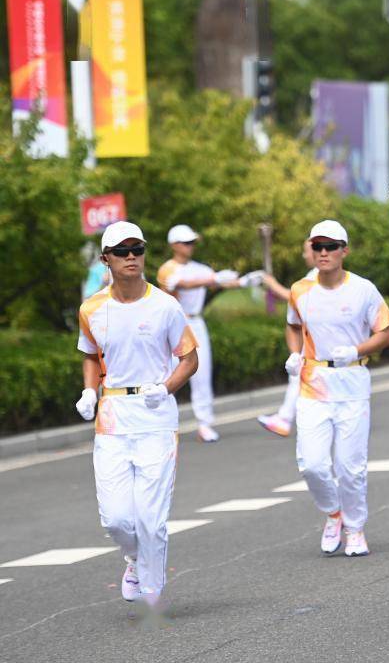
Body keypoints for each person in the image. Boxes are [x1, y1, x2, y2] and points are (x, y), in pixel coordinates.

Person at [75, 221, 199, 609]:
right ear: (105, 259)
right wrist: (89, 391)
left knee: (150, 516)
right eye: (122, 251)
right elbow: (91, 355)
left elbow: (188, 359)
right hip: (112, 415)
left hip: (155, 413)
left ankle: (152, 583)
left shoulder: (165, 305)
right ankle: (133, 557)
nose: (131, 257)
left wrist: (164, 388)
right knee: (115, 519)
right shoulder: (92, 308)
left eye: (137, 250)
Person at [285, 220, 389, 557]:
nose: (323, 252)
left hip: (352, 382)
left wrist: (357, 350)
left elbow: (386, 334)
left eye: (331, 246)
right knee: (312, 464)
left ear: (344, 251)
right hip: (313, 384)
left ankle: (356, 528)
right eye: (317, 246)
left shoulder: (363, 289)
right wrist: (294, 354)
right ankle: (334, 512)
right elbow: (292, 325)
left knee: (350, 466)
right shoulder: (300, 290)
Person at [156, 225, 239, 443]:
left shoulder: (200, 268)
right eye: (186, 243)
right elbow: (183, 284)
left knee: (201, 374)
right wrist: (215, 279)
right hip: (172, 325)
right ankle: (159, 423)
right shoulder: (167, 269)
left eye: (192, 242)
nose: (190, 246)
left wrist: (247, 281)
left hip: (196, 322)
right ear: (174, 245)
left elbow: (222, 280)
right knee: (167, 375)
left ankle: (205, 424)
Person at [258, 239, 318, 438]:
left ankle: (285, 418)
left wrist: (272, 284)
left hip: (317, 339)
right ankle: (285, 417)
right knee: (300, 377)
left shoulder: (317, 275)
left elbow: (292, 296)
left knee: (301, 376)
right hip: (312, 336)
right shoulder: (315, 275)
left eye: (306, 251)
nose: (304, 255)